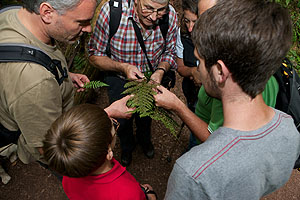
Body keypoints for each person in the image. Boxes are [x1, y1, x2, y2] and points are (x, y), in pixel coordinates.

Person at [154, 0, 300, 199]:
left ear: (221, 71)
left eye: (200, 61)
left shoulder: (193, 173)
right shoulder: (288, 127)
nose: (197, 69)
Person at [0, 0, 133, 165]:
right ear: (47, 13)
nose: (88, 29)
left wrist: (64, 75)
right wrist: (107, 114)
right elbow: (54, 150)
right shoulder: (35, 83)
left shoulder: (14, 15)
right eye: (81, 22)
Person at [88, 0, 178, 166]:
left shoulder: (170, 15)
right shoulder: (111, 13)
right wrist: (123, 67)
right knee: (122, 119)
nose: (153, 17)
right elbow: (95, 56)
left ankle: (145, 140)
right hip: (119, 80)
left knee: (147, 116)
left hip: (151, 81)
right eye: (148, 8)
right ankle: (127, 147)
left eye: (160, 11)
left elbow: (170, 52)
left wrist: (160, 71)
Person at [43, 104, 157, 200]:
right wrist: (149, 196)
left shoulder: (69, 171)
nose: (114, 123)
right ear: (108, 151)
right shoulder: (129, 193)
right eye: (114, 125)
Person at [176, 0, 200, 112]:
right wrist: (192, 72)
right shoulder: (182, 34)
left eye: (195, 22)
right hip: (191, 93)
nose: (190, 28)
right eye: (187, 21)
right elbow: (180, 67)